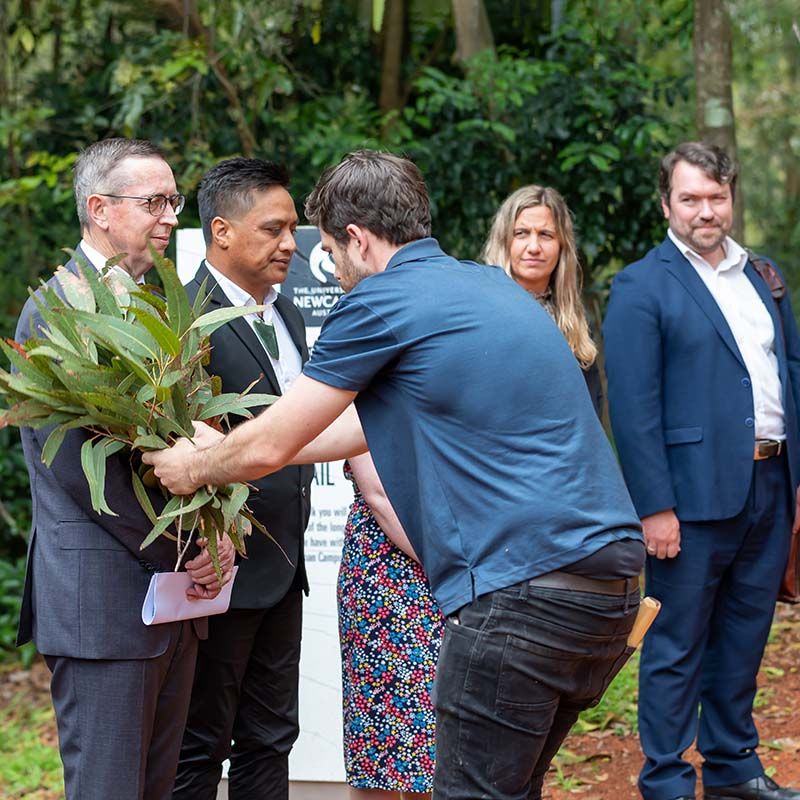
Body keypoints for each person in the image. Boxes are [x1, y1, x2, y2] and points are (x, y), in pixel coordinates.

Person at [144, 149, 645, 800]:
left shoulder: (381, 300)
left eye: (329, 250)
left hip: (518, 596)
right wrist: (233, 440)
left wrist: (192, 464)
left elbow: (270, 448)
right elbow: (347, 427)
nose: (332, 268)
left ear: (356, 239)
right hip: (610, 594)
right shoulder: (490, 287)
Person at [14, 137, 233, 800]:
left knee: (156, 789)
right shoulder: (57, 310)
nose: (171, 215)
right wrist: (193, 543)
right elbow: (85, 478)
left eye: (173, 200)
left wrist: (219, 528)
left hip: (168, 601)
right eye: (155, 201)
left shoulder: (157, 306)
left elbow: (197, 436)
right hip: (105, 606)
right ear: (100, 209)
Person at [603, 141, 800, 800]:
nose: (705, 210)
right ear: (667, 204)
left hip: (770, 486)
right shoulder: (641, 285)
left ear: (731, 198)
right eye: (691, 198)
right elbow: (633, 408)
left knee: (745, 637)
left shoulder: (763, 276)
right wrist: (654, 507)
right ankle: (663, 779)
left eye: (716, 197)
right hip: (688, 502)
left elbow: (789, 377)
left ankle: (733, 768)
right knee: (677, 644)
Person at [170, 158, 312, 799]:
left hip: (284, 564)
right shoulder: (183, 319)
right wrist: (202, 539)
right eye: (274, 229)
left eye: (292, 229)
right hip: (218, 567)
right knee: (200, 742)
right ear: (221, 231)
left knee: (272, 735)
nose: (290, 243)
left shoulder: (285, 315)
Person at [338, 452, 443, 799]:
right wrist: (447, 563)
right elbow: (379, 495)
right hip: (388, 572)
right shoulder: (363, 398)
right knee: (378, 743)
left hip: (444, 559)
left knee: (433, 733)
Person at [482, 184, 603, 415]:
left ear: (562, 246)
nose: (534, 247)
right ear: (504, 241)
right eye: (521, 233)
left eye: (546, 235)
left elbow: (592, 409)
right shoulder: (480, 315)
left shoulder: (575, 324)